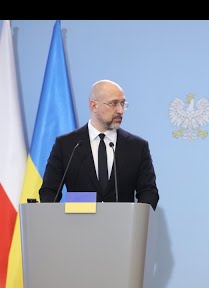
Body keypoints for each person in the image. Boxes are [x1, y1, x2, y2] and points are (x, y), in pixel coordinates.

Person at [39, 80, 159, 210]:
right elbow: (49, 191)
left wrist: (137, 219)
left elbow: (149, 192)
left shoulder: (137, 147)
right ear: (94, 106)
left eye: (123, 104)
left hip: (121, 227)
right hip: (77, 226)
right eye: (113, 104)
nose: (120, 110)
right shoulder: (67, 145)